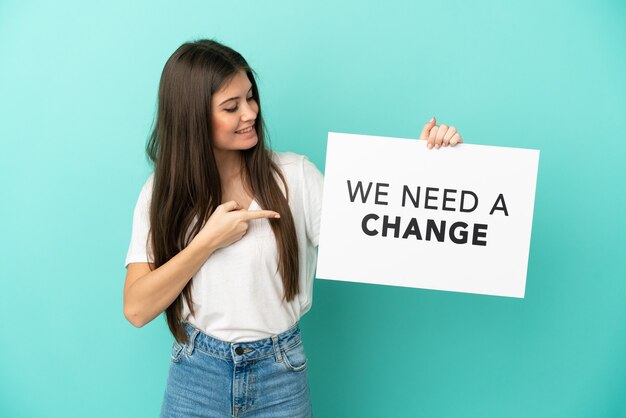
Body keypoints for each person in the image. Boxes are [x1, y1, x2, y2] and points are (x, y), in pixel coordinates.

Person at [123, 38, 463, 418]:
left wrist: (425, 170)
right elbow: (137, 308)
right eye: (231, 107)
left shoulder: (294, 177)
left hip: (279, 376)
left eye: (250, 97)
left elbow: (376, 240)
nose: (250, 113)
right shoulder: (161, 194)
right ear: (192, 117)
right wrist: (206, 242)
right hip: (196, 377)